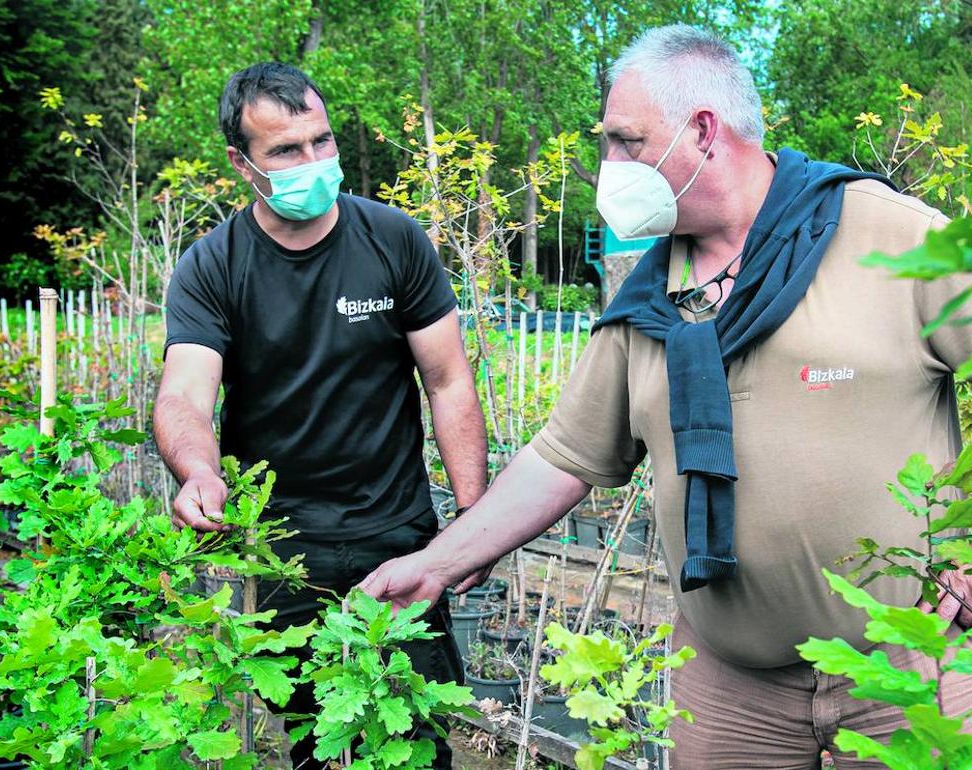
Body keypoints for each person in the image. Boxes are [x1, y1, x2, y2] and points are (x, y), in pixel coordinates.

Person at [359, 24, 972, 769]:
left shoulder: (895, 238)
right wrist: (438, 563)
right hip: (728, 690)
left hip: (904, 677)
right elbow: (564, 456)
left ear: (704, 132)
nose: (607, 167)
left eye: (624, 141)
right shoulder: (649, 297)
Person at [153, 62, 488, 769]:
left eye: (322, 142)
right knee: (313, 740)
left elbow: (449, 380)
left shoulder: (393, 240)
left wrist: (475, 518)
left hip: (395, 531)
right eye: (286, 151)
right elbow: (185, 394)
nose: (314, 163)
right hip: (280, 543)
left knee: (415, 744)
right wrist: (197, 471)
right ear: (242, 164)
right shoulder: (214, 267)